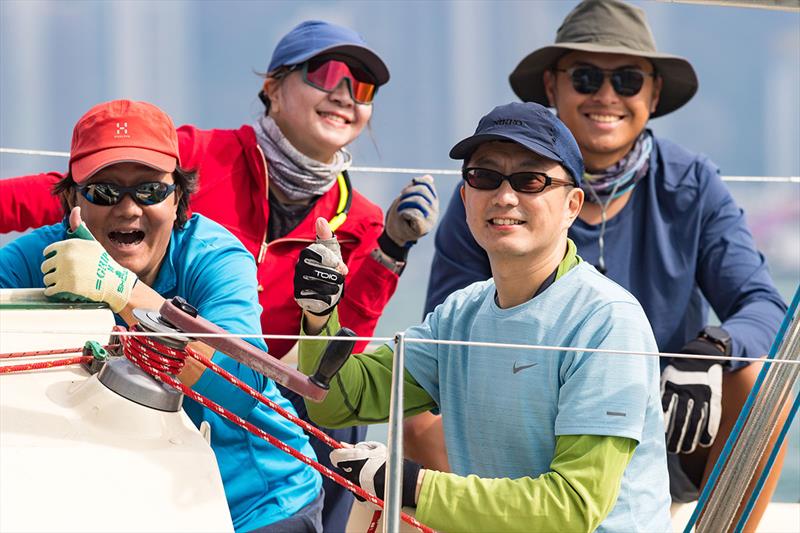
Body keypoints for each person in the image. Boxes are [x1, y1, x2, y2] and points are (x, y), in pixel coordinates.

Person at [0, 20, 438, 530]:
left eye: (361, 86)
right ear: (273, 85)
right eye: (326, 72)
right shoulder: (202, 153)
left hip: (254, 477)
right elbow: (41, 194)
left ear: (180, 194)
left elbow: (306, 362)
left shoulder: (352, 218)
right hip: (130, 484)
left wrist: (389, 252)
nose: (127, 207)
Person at [422, 0, 788, 527]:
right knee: (417, 412)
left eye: (629, 80)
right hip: (517, 440)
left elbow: (763, 308)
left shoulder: (693, 184)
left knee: (757, 381)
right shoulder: (490, 194)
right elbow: (443, 342)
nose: (607, 97)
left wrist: (712, 351)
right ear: (552, 86)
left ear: (653, 94)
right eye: (587, 77)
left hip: (666, 429)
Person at [296, 102, 672, 533]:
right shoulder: (461, 314)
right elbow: (342, 401)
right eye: (485, 177)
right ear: (465, 197)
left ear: (572, 205)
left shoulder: (606, 322)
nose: (505, 196)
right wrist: (319, 314)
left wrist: (411, 484)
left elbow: (571, 507)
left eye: (531, 179)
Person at [0, 99, 323, 532]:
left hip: (255, 505)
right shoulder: (32, 259)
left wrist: (123, 292)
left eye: (150, 191)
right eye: (104, 191)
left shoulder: (215, 256)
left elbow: (242, 389)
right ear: (71, 200)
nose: (128, 208)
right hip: (128, 504)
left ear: (178, 201)